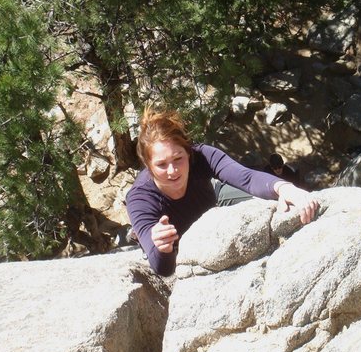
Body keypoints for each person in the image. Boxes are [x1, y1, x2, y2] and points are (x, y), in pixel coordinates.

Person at [126, 107, 318, 276]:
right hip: (183, 242)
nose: (172, 171)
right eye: (161, 164)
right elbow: (163, 269)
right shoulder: (140, 199)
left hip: (212, 208)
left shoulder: (201, 156)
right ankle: (137, 234)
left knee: (265, 197)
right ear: (148, 166)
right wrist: (161, 248)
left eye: (178, 159)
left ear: (188, 153)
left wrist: (285, 188)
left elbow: (247, 178)